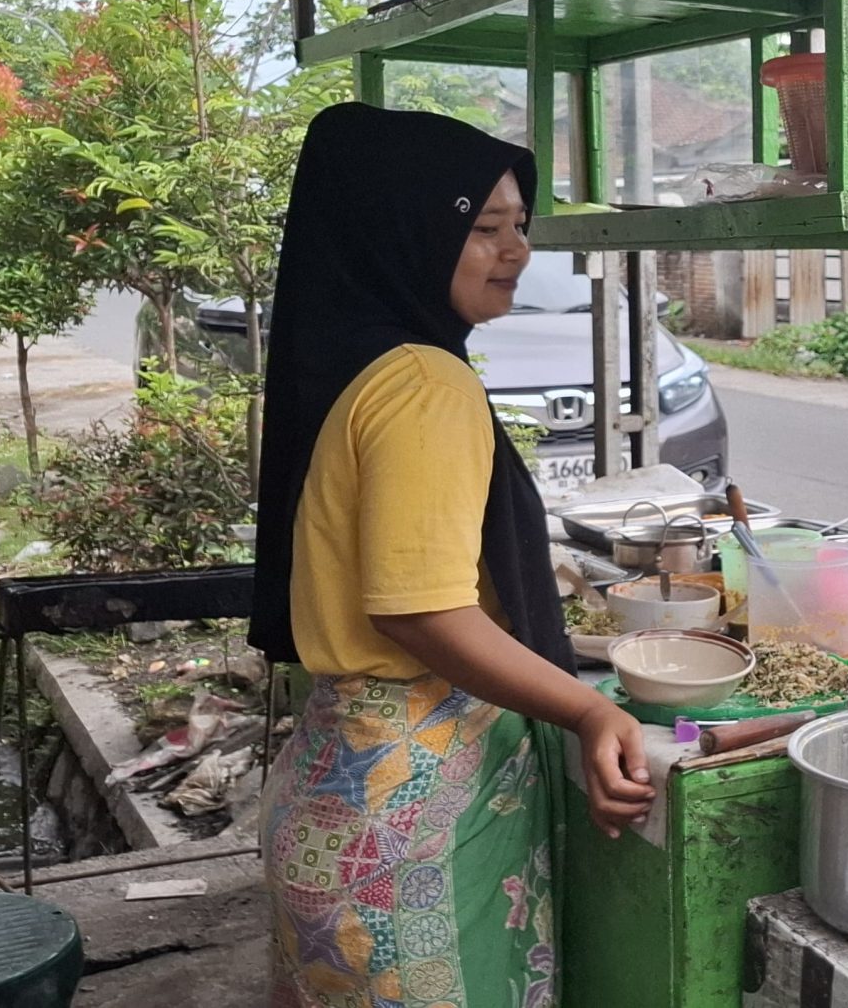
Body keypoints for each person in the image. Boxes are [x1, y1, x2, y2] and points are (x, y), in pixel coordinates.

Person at [251, 103, 656, 1007]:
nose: (517, 251)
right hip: (414, 814)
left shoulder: (349, 366)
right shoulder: (424, 383)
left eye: (520, 226)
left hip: (333, 792)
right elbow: (420, 608)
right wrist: (591, 713)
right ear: (407, 233)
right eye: (485, 228)